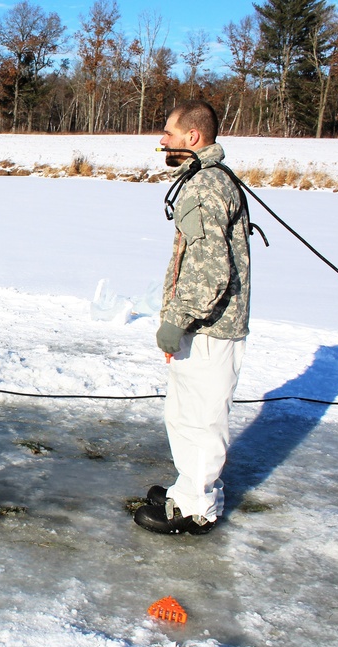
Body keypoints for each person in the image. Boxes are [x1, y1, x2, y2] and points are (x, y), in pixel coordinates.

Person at [134, 100, 251, 535]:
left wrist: (178, 318)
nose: (161, 140)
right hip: (202, 325)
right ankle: (189, 489)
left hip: (210, 326)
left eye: (168, 132)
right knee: (184, 413)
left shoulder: (205, 187)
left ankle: (196, 508)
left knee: (200, 418)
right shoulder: (205, 181)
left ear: (193, 138)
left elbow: (210, 269)